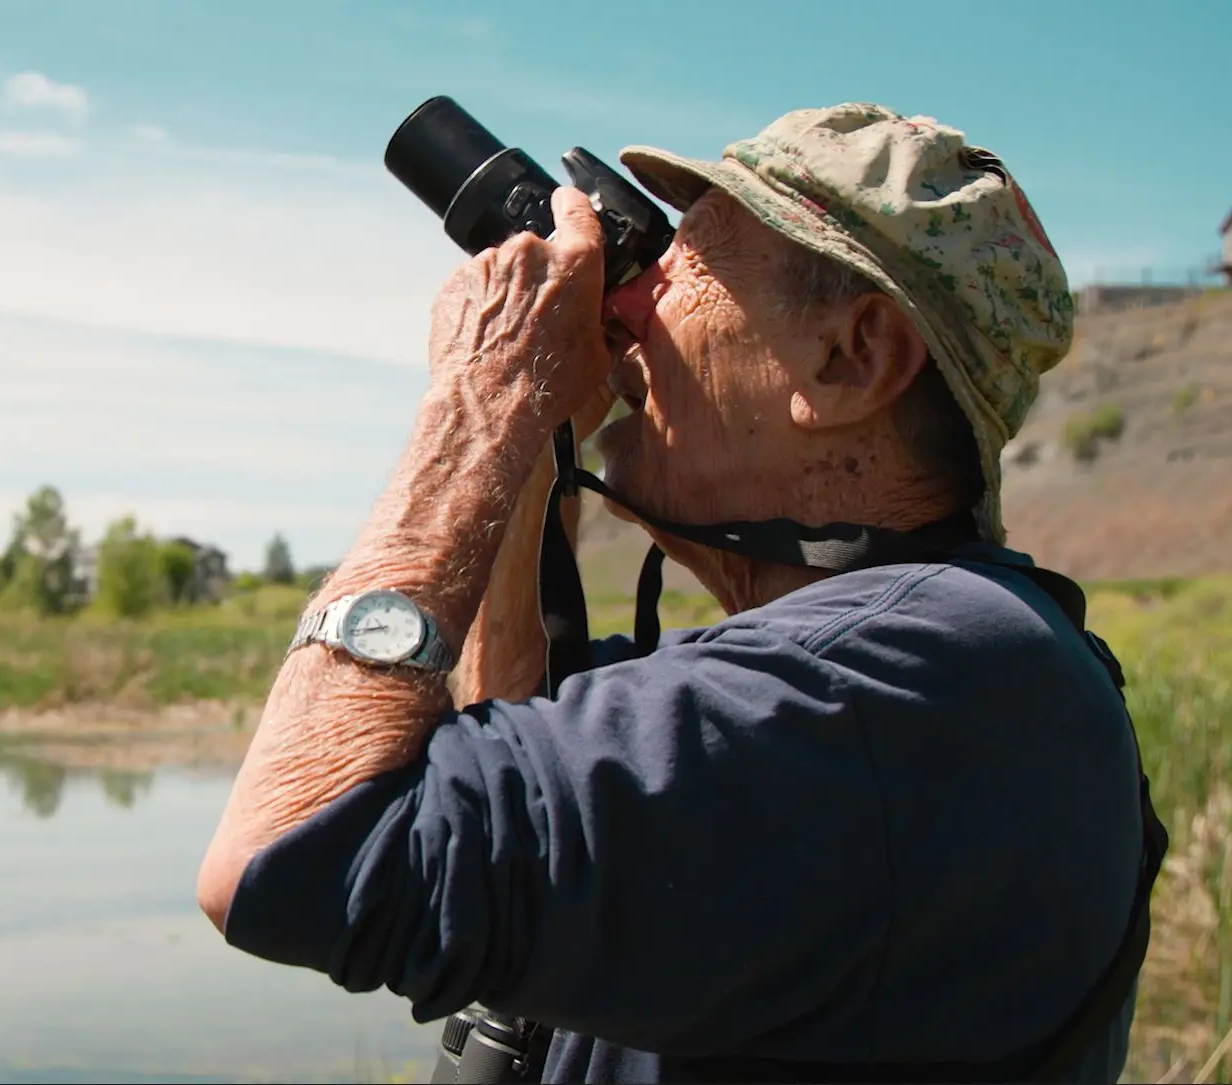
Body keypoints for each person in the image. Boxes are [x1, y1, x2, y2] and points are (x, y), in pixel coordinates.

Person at [196, 102, 1157, 1084]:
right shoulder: (945, 662)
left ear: (850, 358)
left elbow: (288, 853)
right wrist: (526, 450)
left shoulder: (881, 694)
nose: (624, 308)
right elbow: (509, 790)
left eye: (685, 265)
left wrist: (478, 401)